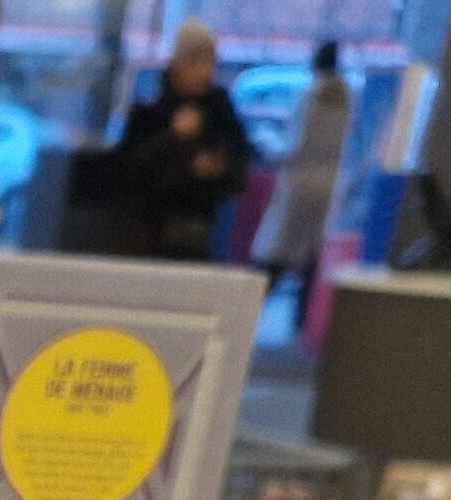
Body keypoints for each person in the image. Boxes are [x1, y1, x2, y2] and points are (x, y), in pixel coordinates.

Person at [115, 21, 252, 262]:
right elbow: (128, 171)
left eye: (210, 62)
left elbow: (241, 164)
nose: (205, 72)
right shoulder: (151, 109)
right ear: (179, 64)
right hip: (151, 231)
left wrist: (218, 168)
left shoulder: (220, 111)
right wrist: (172, 136)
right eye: (196, 62)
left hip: (205, 229)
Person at [257, 41, 354, 330]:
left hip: (300, 184)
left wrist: (268, 146)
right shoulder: (347, 99)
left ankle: (251, 306)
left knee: (278, 253)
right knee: (312, 256)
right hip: (329, 185)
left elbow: (297, 146)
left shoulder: (311, 96)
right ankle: (302, 323)